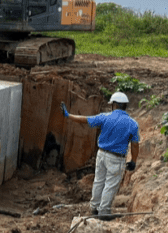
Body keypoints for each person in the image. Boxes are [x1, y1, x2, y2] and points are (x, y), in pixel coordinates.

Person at [60, 92, 140, 220]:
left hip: (101, 154)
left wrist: (68, 115)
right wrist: (133, 160)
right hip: (116, 158)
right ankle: (104, 211)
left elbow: (85, 119)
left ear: (114, 105)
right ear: (125, 106)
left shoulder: (105, 117)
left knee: (99, 181)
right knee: (110, 184)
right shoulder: (132, 124)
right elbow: (135, 145)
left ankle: (94, 208)